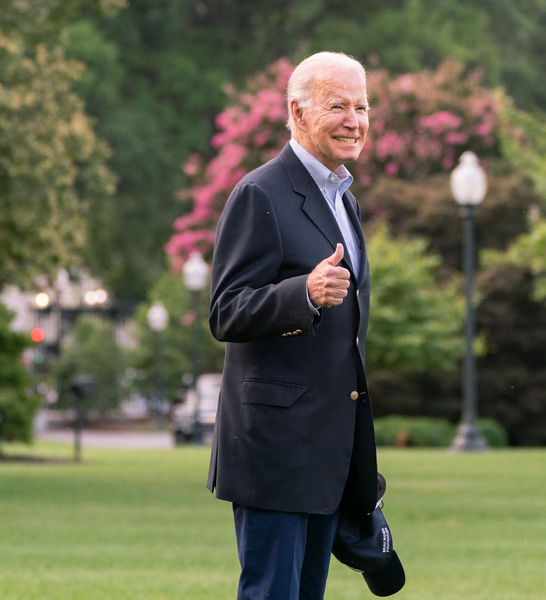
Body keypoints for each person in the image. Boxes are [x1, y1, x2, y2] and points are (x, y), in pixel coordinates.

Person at [206, 51, 377, 600]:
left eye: (362, 106)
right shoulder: (260, 192)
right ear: (298, 113)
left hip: (328, 449)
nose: (354, 120)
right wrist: (301, 292)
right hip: (275, 450)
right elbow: (226, 310)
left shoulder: (344, 200)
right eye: (338, 106)